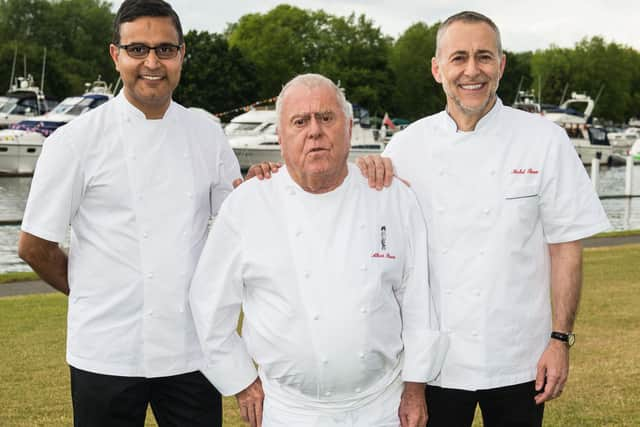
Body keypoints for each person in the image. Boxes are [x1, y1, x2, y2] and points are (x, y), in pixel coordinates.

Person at [355, 11, 611, 427]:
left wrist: (560, 340)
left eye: (484, 57)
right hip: (433, 364)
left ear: (501, 65)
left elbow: (565, 249)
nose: (472, 71)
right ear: (438, 69)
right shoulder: (405, 147)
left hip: (520, 357)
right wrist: (275, 179)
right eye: (458, 58)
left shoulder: (545, 140)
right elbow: (369, 234)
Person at [17, 1, 242, 425]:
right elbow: (34, 246)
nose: (152, 62)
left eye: (165, 49)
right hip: (104, 353)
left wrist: (269, 185)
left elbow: (240, 226)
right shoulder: (74, 141)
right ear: (115, 54)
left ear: (182, 54)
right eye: (137, 49)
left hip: (190, 351)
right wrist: (90, 291)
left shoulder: (207, 134)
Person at [189, 73, 448, 427]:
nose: (314, 131)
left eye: (326, 118)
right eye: (300, 121)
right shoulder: (247, 205)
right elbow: (209, 305)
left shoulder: (391, 197)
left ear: (349, 127)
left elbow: (419, 301)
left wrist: (415, 389)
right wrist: (241, 382)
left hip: (380, 407)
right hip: (287, 411)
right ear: (281, 137)